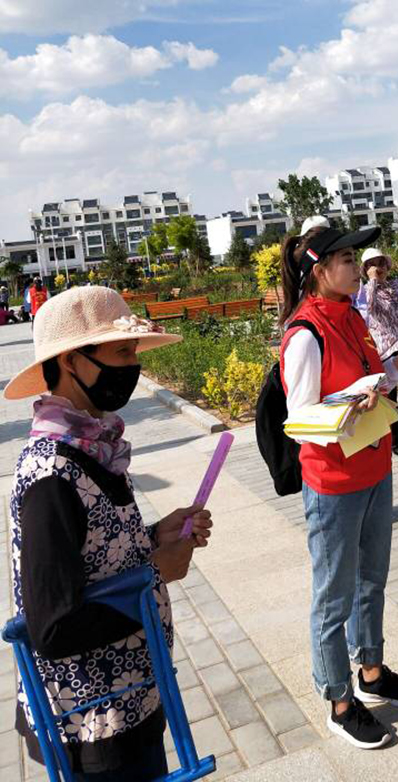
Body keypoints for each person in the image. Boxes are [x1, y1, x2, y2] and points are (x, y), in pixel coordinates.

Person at [4, 287, 214, 781]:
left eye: (134, 352)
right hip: (90, 725)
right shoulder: (51, 473)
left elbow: (94, 551)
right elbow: (52, 627)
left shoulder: (91, 446)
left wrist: (152, 536)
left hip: (130, 703)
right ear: (71, 361)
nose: (133, 366)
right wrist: (154, 573)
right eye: (122, 352)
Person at [279, 224, 398, 750]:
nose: (355, 266)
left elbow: (379, 376)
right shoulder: (306, 333)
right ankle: (339, 701)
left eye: (353, 256)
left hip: (374, 468)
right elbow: (300, 417)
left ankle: (371, 672)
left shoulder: (351, 315)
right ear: (319, 271)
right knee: (334, 596)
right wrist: (352, 398)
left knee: (372, 581)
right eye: (346, 259)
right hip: (333, 483)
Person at [354, 247, 398, 458]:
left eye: (381, 263)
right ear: (365, 269)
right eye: (372, 264)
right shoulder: (365, 291)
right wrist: (373, 280)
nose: (378, 267)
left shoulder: (395, 286)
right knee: (388, 400)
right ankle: (396, 441)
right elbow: (367, 307)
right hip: (385, 352)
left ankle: (396, 433)